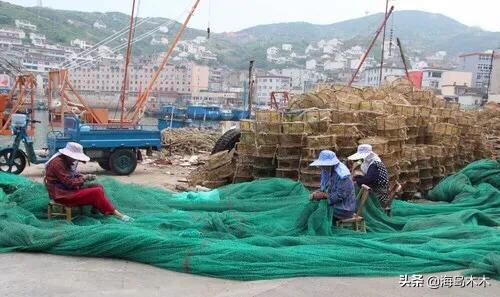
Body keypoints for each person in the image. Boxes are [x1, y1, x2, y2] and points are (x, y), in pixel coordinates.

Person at [44, 142, 133, 222]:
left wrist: (82, 176)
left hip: (66, 190)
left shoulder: (64, 160)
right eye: (75, 157)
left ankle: (96, 210)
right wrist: (84, 178)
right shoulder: (57, 163)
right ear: (68, 155)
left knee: (98, 187)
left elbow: (72, 174)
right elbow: (69, 182)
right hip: (62, 194)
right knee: (96, 192)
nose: (76, 160)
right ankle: (116, 214)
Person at [309, 150, 357, 221]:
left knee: (317, 211)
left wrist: (324, 195)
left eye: (323, 165)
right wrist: (317, 193)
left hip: (344, 209)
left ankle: (322, 230)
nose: (322, 167)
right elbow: (325, 187)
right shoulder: (327, 171)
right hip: (334, 204)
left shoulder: (342, 175)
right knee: (313, 206)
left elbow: (340, 195)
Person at [348, 144, 389, 208]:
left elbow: (368, 180)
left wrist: (355, 179)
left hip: (379, 195)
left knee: (355, 189)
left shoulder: (375, 164)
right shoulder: (371, 162)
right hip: (376, 189)